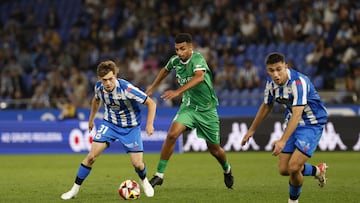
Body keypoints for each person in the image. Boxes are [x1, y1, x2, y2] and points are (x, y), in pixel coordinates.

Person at [145, 33, 233, 189]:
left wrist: (178, 92)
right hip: (189, 107)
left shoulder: (198, 59)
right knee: (172, 135)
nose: (179, 53)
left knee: (214, 149)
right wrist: (153, 87)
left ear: (191, 47)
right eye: (177, 49)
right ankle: (159, 175)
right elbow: (165, 70)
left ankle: (227, 169)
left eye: (183, 49)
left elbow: (199, 77)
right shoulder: (175, 60)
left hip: (207, 110)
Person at [61, 60, 156, 200]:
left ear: (116, 75)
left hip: (130, 128)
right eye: (104, 80)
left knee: (138, 164)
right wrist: (91, 119)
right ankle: (74, 190)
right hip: (110, 125)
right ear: (100, 79)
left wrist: (149, 124)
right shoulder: (99, 87)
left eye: (111, 79)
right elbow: (96, 100)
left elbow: (151, 103)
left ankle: (145, 181)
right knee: (91, 157)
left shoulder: (127, 89)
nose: (108, 83)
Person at [241, 52, 328, 203]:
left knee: (294, 167)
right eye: (271, 70)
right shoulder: (270, 83)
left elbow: (297, 113)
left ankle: (293, 201)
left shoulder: (299, 82)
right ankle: (317, 170)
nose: (275, 74)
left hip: (311, 123)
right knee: (284, 170)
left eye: (279, 69)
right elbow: (267, 106)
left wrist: (282, 141)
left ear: (286, 66)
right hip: (292, 122)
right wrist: (252, 129)